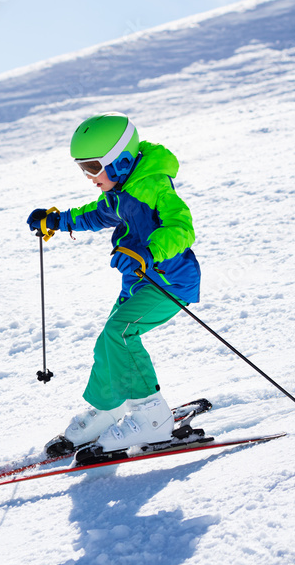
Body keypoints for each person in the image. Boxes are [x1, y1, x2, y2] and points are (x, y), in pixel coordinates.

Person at [27, 112, 200, 455]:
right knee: (108, 342)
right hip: (139, 282)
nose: (89, 177)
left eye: (93, 167)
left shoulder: (154, 185)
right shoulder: (119, 191)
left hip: (169, 281)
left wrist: (148, 253)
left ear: (120, 162)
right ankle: (111, 409)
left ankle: (153, 418)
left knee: (120, 334)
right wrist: (57, 220)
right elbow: (96, 214)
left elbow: (182, 229)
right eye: (83, 169)